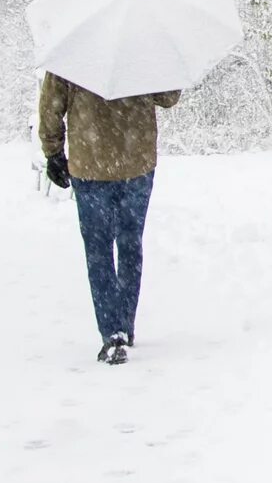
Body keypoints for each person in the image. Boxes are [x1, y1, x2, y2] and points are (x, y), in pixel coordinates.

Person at [39, 73, 181, 364]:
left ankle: (112, 332)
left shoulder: (73, 50)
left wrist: (53, 151)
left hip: (90, 165)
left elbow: (52, 105)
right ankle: (125, 325)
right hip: (136, 162)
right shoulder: (145, 49)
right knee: (130, 245)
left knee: (98, 250)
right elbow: (168, 98)